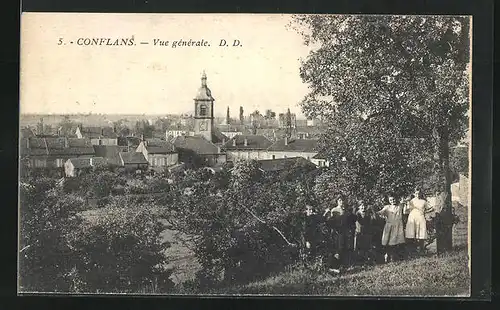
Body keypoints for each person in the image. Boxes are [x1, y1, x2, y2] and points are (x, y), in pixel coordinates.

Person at [324, 194, 356, 274]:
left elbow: (351, 221)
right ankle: (332, 267)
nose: (341, 202)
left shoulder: (346, 210)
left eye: (342, 200)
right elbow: (330, 222)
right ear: (337, 201)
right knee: (338, 249)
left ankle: (342, 267)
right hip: (337, 233)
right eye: (339, 200)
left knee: (345, 249)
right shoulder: (334, 210)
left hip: (345, 233)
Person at [377, 194, 405, 263]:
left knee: (395, 241)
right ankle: (387, 256)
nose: (392, 201)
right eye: (391, 200)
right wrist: (376, 212)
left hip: (397, 225)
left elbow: (405, 206)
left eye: (394, 199)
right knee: (387, 241)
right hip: (389, 226)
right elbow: (381, 212)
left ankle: (394, 257)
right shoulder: (387, 207)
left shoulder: (400, 206)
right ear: (389, 201)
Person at [405, 188, 430, 256]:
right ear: (414, 194)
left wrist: (424, 212)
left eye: (419, 193)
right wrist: (406, 204)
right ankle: (413, 251)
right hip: (412, 218)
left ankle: (421, 251)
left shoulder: (423, 201)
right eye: (416, 193)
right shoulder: (411, 201)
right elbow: (406, 211)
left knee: (421, 235)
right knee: (412, 234)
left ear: (421, 193)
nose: (417, 195)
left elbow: (429, 209)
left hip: (420, 218)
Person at [354, 200, 376, 265]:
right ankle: (360, 262)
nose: (363, 207)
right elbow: (359, 221)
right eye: (361, 206)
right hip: (359, 233)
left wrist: (372, 211)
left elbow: (373, 220)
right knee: (359, 248)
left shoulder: (368, 213)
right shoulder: (357, 213)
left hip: (367, 232)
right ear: (359, 207)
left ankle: (367, 261)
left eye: (364, 206)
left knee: (367, 247)